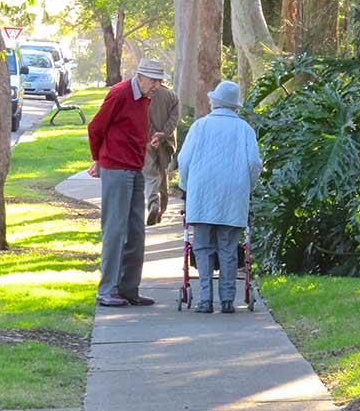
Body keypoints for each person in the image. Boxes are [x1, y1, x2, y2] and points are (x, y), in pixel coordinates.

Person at [88, 59, 169, 307]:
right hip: (116, 167)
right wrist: (97, 159)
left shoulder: (145, 98)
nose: (157, 86)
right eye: (154, 81)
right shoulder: (120, 93)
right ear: (141, 77)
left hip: (135, 168)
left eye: (160, 81)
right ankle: (107, 290)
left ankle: (128, 288)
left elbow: (131, 129)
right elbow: (96, 127)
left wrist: (149, 139)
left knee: (136, 231)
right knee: (115, 230)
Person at [177, 80, 262, 314]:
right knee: (228, 248)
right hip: (234, 197)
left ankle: (205, 300)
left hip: (201, 195)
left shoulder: (199, 127)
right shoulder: (245, 129)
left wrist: (186, 186)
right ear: (235, 105)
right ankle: (227, 301)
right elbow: (254, 164)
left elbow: (183, 161)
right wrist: (247, 187)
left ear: (215, 101)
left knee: (203, 248)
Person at [144, 83, 180, 226]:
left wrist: (153, 135)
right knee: (163, 174)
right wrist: (163, 134)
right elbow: (174, 120)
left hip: (147, 140)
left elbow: (143, 117)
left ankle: (153, 204)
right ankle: (161, 211)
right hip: (166, 143)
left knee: (150, 174)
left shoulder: (146, 93)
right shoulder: (171, 95)